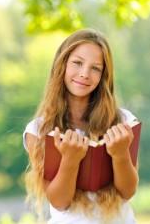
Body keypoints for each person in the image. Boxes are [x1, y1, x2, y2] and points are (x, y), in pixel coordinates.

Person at [23, 28, 139, 223]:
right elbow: (59, 202)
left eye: (95, 68)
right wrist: (70, 159)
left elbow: (127, 192)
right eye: (77, 63)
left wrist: (120, 155)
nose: (85, 74)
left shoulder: (123, 121)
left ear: (103, 75)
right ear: (62, 66)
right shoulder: (38, 130)